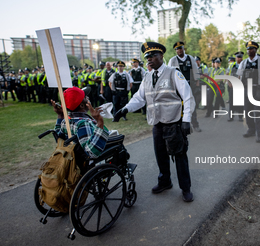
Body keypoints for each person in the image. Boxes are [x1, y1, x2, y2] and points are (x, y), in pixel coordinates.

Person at [114, 42, 195, 202]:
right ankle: (165, 181)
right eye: (147, 57)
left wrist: (186, 120)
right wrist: (125, 109)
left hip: (173, 123)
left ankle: (186, 188)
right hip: (157, 123)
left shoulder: (174, 73)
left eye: (152, 56)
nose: (149, 59)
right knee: (161, 156)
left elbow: (188, 96)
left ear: (161, 56)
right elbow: (139, 98)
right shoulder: (147, 77)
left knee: (179, 156)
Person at [52, 87, 109, 159]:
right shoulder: (83, 123)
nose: (88, 98)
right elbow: (91, 153)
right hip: (86, 162)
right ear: (82, 105)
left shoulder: (65, 121)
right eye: (86, 97)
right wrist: (100, 122)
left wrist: (60, 115)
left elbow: (59, 139)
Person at [236, 41, 260, 143]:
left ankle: (259, 134)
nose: (249, 51)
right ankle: (251, 129)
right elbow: (239, 76)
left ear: (256, 50)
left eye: (251, 49)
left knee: (258, 112)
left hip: (259, 89)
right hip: (247, 89)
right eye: (248, 49)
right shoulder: (243, 63)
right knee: (248, 111)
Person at [168, 42, 201, 132]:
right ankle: (181, 125)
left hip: (191, 85)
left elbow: (195, 71)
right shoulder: (172, 60)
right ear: (176, 51)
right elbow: (169, 75)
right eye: (177, 49)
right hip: (178, 87)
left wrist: (197, 82)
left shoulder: (190, 58)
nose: (179, 50)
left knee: (191, 104)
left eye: (180, 48)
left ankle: (195, 124)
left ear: (183, 48)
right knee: (179, 106)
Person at [226, 52, 244, 122]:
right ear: (236, 58)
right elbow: (227, 74)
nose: (239, 58)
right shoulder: (231, 65)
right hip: (232, 86)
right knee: (232, 102)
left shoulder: (244, 65)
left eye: (240, 57)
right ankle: (231, 116)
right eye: (238, 57)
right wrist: (229, 82)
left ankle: (240, 116)